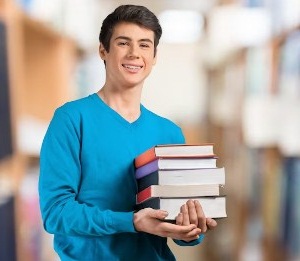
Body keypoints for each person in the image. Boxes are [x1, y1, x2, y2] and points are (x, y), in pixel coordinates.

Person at [39, 4, 217, 261]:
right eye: (124, 43)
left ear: (154, 57)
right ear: (103, 50)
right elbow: (56, 212)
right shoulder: (71, 120)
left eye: (145, 45)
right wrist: (132, 221)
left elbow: (180, 227)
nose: (135, 53)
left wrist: (190, 228)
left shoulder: (170, 133)